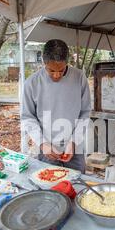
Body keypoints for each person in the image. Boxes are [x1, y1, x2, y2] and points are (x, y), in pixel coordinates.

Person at [21, 39, 91, 173]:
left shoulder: (79, 78)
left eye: (61, 70)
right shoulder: (32, 83)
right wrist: (42, 143)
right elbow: (27, 117)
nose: (57, 75)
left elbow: (85, 112)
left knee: (77, 185)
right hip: (47, 148)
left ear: (67, 62)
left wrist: (74, 142)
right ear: (44, 62)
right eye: (51, 70)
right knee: (49, 186)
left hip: (75, 148)